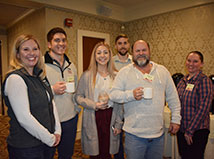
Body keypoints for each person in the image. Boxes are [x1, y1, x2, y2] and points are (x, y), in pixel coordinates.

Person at [110, 40, 181, 159]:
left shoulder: (162, 71)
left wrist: (176, 119)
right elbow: (113, 94)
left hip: (158, 134)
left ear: (149, 51)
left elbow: (173, 97)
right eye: (137, 51)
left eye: (144, 50)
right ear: (133, 53)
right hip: (134, 135)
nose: (141, 53)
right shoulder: (124, 72)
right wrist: (131, 95)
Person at [2, 34, 61, 159]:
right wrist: (50, 138)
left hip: (45, 142)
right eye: (26, 49)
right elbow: (24, 118)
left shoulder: (39, 76)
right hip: (26, 147)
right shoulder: (15, 78)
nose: (32, 53)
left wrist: (57, 131)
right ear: (17, 54)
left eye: (35, 49)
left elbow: (51, 102)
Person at [75, 42, 123, 159]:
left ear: (110, 55)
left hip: (111, 116)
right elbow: (78, 97)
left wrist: (119, 123)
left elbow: (121, 102)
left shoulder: (117, 76)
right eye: (99, 53)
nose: (102, 55)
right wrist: (94, 104)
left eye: (105, 52)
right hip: (93, 116)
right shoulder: (87, 76)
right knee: (95, 152)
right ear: (94, 56)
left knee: (108, 150)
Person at [44, 27, 80, 159]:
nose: (61, 43)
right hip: (49, 120)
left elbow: (75, 90)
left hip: (70, 119)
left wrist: (76, 110)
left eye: (64, 40)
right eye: (57, 40)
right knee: (47, 154)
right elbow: (33, 92)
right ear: (49, 44)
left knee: (66, 155)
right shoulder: (40, 64)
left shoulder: (71, 65)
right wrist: (52, 90)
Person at [176, 51, 213, 159]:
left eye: (195, 61)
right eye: (189, 60)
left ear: (201, 64)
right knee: (184, 156)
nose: (191, 64)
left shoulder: (204, 81)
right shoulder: (182, 81)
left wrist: (190, 131)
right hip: (182, 129)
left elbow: (204, 108)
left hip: (197, 131)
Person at [113, 34, 132, 159]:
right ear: (116, 46)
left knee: (132, 139)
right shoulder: (110, 62)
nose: (123, 46)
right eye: (120, 43)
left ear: (129, 45)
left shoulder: (135, 61)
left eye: (125, 43)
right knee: (116, 140)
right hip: (116, 106)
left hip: (132, 105)